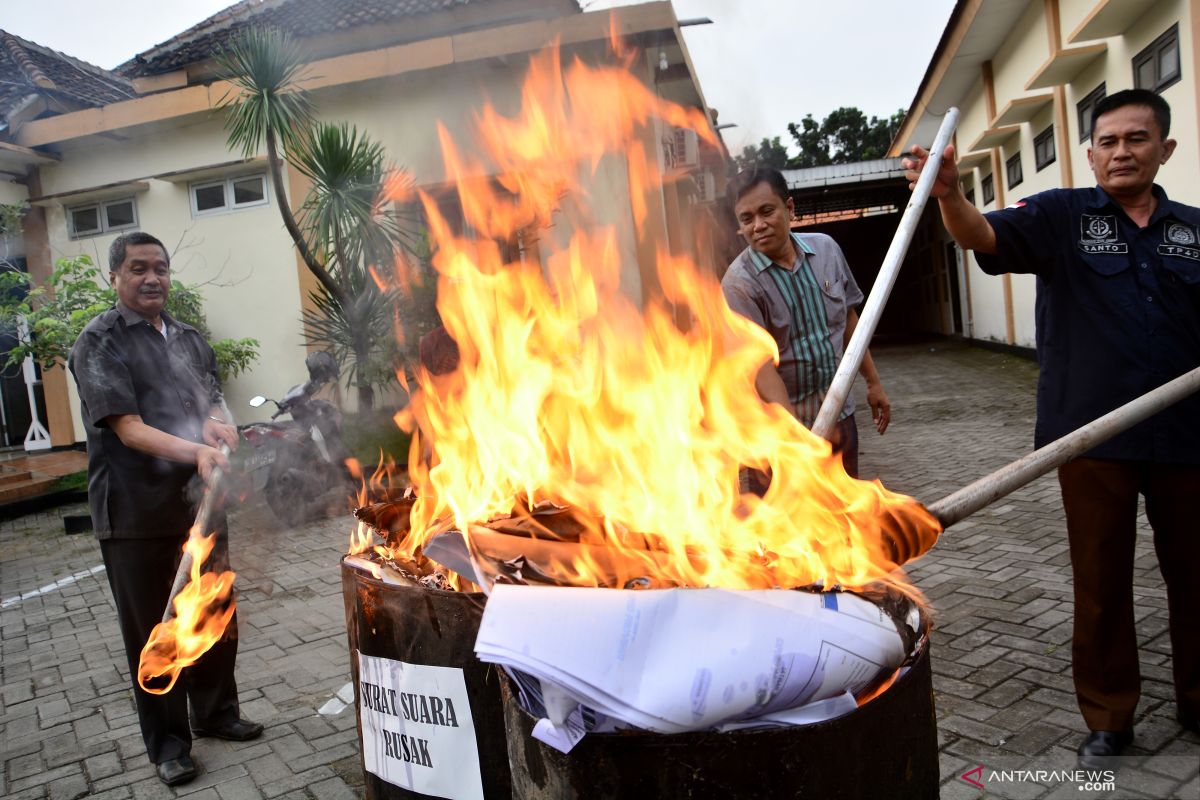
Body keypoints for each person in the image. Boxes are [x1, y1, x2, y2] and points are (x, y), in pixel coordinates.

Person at [903, 88, 1199, 768]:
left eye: (1137, 138)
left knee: (1196, 576)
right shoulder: (1064, 216)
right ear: (1090, 152)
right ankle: (1109, 715)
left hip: (1188, 438)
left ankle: (1197, 700)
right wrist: (950, 196)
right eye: (1108, 141)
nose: (1121, 151)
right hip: (1092, 441)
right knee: (1100, 582)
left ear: (1165, 148)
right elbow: (985, 236)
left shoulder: (1194, 232)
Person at [69, 232, 263, 786]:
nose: (151, 278)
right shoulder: (100, 341)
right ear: (116, 278)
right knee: (154, 629)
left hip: (201, 502)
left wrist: (216, 424)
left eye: (160, 268)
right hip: (135, 513)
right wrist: (199, 449)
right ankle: (168, 744)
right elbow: (127, 429)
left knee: (213, 611)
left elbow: (206, 400)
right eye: (137, 269)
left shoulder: (187, 337)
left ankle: (217, 714)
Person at [721, 167, 891, 486]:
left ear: (790, 208)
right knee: (784, 530)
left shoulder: (826, 250)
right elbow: (759, 367)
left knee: (846, 521)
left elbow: (849, 321)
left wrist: (873, 383)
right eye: (746, 219)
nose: (758, 225)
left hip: (839, 417)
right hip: (778, 435)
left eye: (766, 211)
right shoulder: (739, 284)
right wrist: (792, 437)